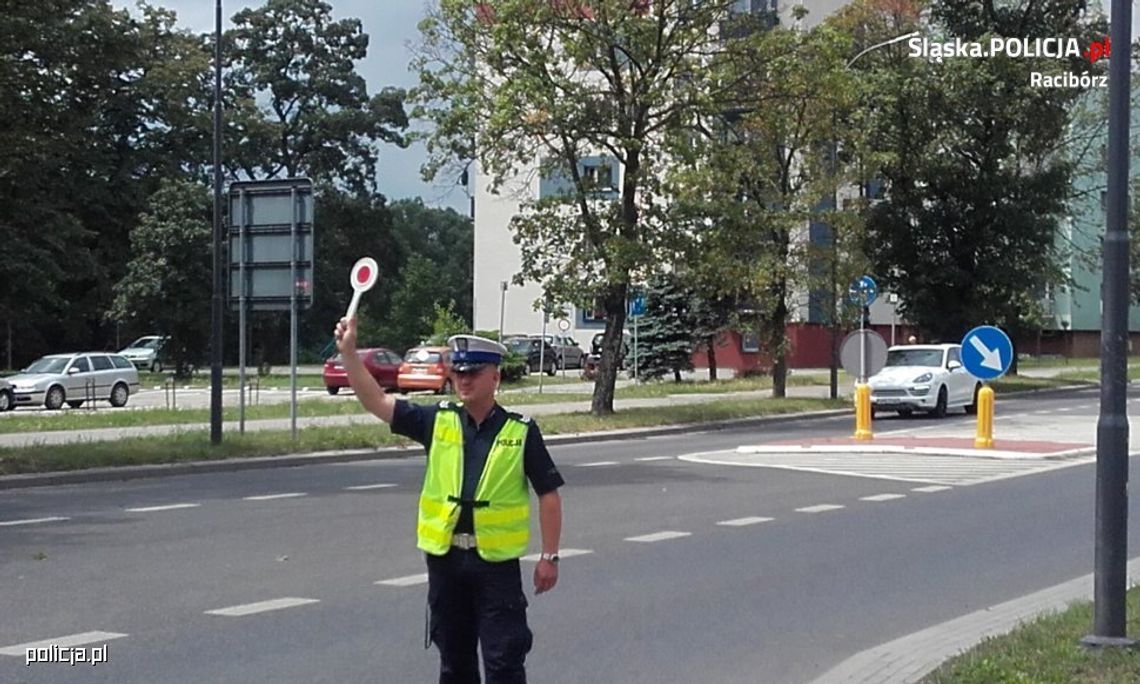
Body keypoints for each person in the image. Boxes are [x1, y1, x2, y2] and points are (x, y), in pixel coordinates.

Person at [333, 318, 564, 684]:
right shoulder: (437, 420)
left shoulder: (521, 430)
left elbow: (548, 495)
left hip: (496, 568)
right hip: (447, 563)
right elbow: (376, 401)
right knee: (454, 665)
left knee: (504, 663)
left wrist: (549, 557)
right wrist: (348, 353)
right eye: (458, 373)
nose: (464, 380)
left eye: (474, 372)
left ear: (496, 378)